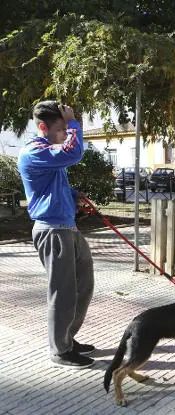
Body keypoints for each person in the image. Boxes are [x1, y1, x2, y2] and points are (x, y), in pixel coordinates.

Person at [17, 101, 96, 368]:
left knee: (83, 286)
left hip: (67, 227)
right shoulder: (33, 152)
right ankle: (60, 351)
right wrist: (74, 122)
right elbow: (73, 154)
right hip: (52, 230)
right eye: (61, 129)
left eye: (66, 129)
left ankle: (68, 339)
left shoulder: (49, 154)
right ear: (43, 127)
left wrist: (74, 195)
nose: (65, 134)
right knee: (62, 292)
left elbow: (52, 185)